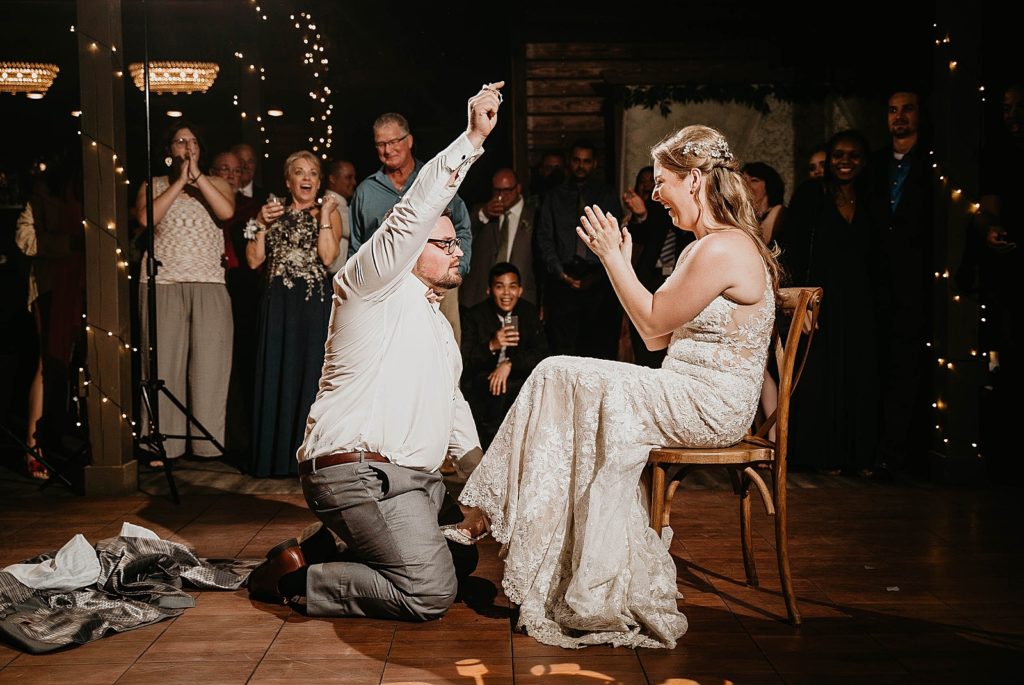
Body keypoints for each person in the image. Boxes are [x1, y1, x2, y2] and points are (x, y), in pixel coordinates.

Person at [452, 125, 780, 648]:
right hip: (680, 388)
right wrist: (622, 264)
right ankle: (531, 545)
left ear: (695, 180)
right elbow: (659, 333)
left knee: (556, 372)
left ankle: (487, 513)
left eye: (664, 181)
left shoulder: (722, 249)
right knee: (565, 383)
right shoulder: (705, 247)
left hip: (708, 403)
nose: (656, 193)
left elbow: (649, 329)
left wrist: (612, 259)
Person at [246, 83, 502, 621]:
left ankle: (331, 545)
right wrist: (472, 139)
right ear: (407, 250)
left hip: (414, 480)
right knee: (430, 591)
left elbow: (452, 405)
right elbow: (413, 213)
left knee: (461, 561)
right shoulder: (368, 283)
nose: (456, 249)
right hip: (360, 474)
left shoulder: (436, 322)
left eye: (455, 242)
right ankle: (298, 581)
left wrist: (483, 486)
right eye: (444, 243)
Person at [778, 130, 879, 474]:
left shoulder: (872, 198)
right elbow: (792, 248)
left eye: (853, 155)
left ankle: (857, 456)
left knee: (858, 378)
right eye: (838, 155)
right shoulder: (812, 194)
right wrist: (799, 300)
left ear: (864, 162)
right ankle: (818, 455)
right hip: (820, 300)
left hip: (861, 303)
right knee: (819, 376)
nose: (845, 162)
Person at [135, 123, 235, 465]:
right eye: (180, 140)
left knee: (210, 366)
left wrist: (198, 178)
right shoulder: (153, 184)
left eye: (193, 141)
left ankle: (206, 445)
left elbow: (226, 212)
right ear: (169, 150)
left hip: (209, 282)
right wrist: (179, 182)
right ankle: (162, 444)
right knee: (164, 365)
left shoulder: (218, 183)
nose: (188, 146)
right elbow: (146, 218)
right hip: (163, 282)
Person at [245, 152, 342, 478]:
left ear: (319, 180)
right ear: (288, 181)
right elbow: (254, 260)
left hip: (312, 305)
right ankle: (272, 458)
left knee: (310, 375)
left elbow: (328, 257)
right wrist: (260, 223)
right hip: (278, 306)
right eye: (299, 172)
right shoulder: (270, 213)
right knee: (276, 371)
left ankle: (306, 459)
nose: (307, 178)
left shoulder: (328, 212)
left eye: (313, 173)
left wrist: (325, 214)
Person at [348, 112, 473, 344]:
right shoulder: (365, 192)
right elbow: (357, 248)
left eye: (394, 141)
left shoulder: (434, 179)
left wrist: (453, 273)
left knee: (444, 349)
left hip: (438, 287)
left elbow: (462, 228)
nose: (388, 150)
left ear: (409, 141)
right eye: (381, 144)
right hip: (386, 293)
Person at [868, 89, 932, 474]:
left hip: (917, 279)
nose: (899, 117)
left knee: (909, 367)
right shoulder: (875, 164)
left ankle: (906, 454)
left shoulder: (932, 161)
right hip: (878, 280)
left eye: (907, 109)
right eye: (893, 110)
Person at [536, 140, 623, 359]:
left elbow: (616, 237)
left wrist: (599, 275)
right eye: (576, 160)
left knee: (599, 349)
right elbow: (544, 238)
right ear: (569, 162)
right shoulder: (554, 196)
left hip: (598, 279)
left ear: (594, 164)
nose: (581, 166)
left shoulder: (607, 195)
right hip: (563, 279)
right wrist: (560, 273)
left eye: (586, 161)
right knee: (563, 350)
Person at [461, 262, 548, 449]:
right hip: (483, 382)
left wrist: (509, 363)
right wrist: (492, 345)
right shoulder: (475, 316)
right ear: (489, 291)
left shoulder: (528, 313)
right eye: (500, 287)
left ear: (520, 290)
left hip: (516, 378)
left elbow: (542, 354)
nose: (507, 293)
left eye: (512, 287)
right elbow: (465, 362)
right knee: (497, 389)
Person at [460, 168, 539, 308]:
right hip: (483, 296)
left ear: (518, 188)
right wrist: (484, 214)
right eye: (497, 191)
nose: (501, 196)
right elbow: (462, 234)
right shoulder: (483, 211)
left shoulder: (534, 215)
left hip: (521, 296)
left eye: (507, 190)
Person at [742, 161, 786, 244]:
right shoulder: (743, 214)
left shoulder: (778, 210)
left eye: (754, 180)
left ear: (769, 185)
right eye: (743, 180)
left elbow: (762, 241)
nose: (746, 184)